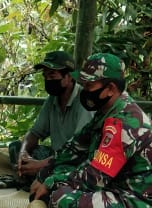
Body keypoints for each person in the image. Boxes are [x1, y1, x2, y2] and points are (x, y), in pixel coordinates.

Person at [30, 53, 152, 208]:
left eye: (89, 86)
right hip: (112, 185)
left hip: (135, 200)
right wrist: (45, 174)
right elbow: (74, 148)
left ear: (110, 89)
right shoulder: (106, 111)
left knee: (61, 199)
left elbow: (95, 176)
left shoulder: (125, 122)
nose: (84, 91)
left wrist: (52, 182)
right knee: (61, 171)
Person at [9, 50, 94, 182]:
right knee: (15, 147)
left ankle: (40, 179)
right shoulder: (52, 100)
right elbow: (34, 133)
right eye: (45, 76)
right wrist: (23, 153)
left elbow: (78, 151)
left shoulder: (84, 101)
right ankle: (35, 176)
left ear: (69, 76)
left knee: (62, 168)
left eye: (52, 75)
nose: (48, 80)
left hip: (74, 159)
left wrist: (40, 165)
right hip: (54, 157)